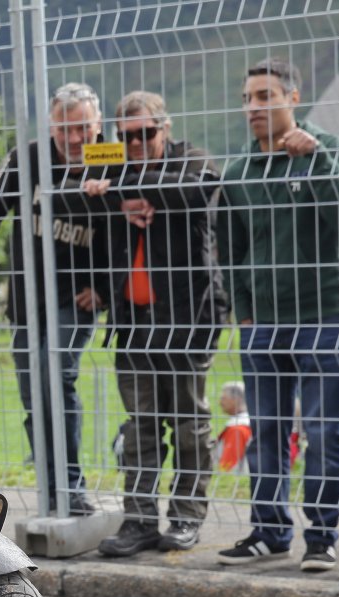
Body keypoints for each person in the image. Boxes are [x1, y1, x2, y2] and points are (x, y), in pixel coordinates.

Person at [213, 58, 339, 571]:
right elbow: (232, 251)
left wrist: (315, 160)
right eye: (247, 98)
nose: (253, 107)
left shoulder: (329, 149)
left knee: (322, 431)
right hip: (262, 323)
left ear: (292, 98)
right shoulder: (238, 172)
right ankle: (269, 531)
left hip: (324, 315)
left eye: (265, 96)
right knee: (267, 430)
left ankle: (321, 535)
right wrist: (245, 314)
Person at [0, 81, 114, 514]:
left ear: (98, 124)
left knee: (57, 376)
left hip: (76, 297)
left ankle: (72, 486)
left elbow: (127, 231)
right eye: (65, 129)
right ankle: (50, 488)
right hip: (27, 298)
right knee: (32, 391)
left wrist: (106, 289)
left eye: (84, 128)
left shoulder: (109, 158)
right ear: (51, 127)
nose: (75, 139)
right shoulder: (29, 158)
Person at [85, 91, 227, 557]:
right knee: (140, 426)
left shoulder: (192, 160)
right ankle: (140, 520)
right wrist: (121, 200)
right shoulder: (118, 172)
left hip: (187, 318)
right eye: (127, 137)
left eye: (146, 133)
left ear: (165, 129)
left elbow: (196, 190)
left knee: (189, 423)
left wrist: (122, 191)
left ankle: (187, 516)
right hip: (133, 321)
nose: (137, 143)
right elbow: (76, 193)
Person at [214, 381, 252, 475]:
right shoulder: (249, 423)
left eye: (223, 398)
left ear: (236, 399)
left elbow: (227, 466)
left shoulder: (237, 430)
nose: (220, 403)